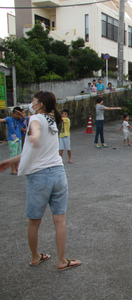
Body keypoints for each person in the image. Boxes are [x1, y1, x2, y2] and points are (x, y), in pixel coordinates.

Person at [0, 91, 81, 271]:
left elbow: (35, 132)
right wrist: (10, 161)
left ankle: (36, 256)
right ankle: (62, 261)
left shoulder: (35, 119)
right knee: (60, 220)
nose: (31, 103)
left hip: (40, 177)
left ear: (40, 104)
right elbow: (34, 150)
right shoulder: (53, 120)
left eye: (34, 101)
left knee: (34, 221)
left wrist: (34, 136)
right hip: (59, 174)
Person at [0, 107, 26, 175]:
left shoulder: (20, 120)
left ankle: (17, 168)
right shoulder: (9, 119)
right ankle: (13, 169)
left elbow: (24, 118)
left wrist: (21, 113)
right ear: (13, 114)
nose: (18, 116)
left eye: (19, 114)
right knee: (13, 155)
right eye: (17, 114)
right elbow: (2, 120)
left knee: (18, 154)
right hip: (12, 139)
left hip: (19, 139)